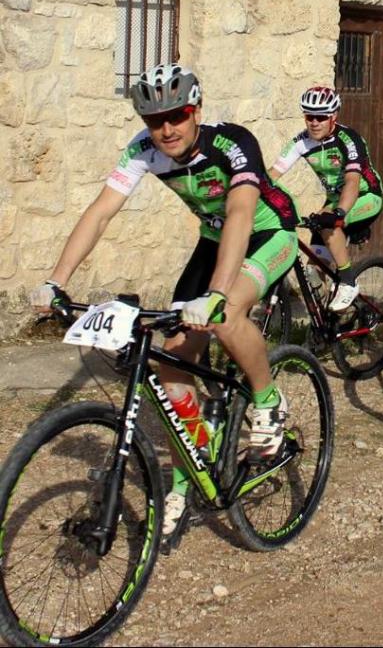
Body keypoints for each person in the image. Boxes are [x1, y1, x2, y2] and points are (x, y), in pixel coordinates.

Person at [29, 63, 299, 536]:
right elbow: (100, 213)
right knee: (171, 361)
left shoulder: (232, 144)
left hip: (268, 233)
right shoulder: (143, 151)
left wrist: (216, 294)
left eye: (177, 115)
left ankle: (267, 400)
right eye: (156, 120)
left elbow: (239, 213)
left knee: (225, 312)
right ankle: (183, 479)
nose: (167, 129)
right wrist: (56, 281)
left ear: (195, 110)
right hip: (213, 240)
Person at [269, 86, 383, 312]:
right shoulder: (301, 142)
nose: (314, 122)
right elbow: (272, 174)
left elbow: (352, 180)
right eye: (309, 116)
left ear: (333, 117)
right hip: (334, 200)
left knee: (327, 222)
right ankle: (330, 322)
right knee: (314, 271)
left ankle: (348, 281)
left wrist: (339, 213)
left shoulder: (349, 139)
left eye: (321, 117)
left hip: (365, 195)